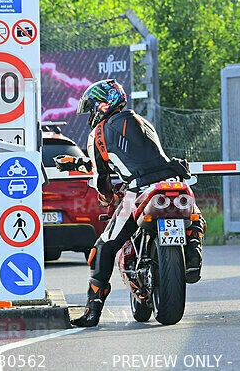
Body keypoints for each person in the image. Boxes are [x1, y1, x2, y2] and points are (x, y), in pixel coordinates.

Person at [54, 79, 206, 328]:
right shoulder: (143, 121)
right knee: (194, 214)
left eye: (92, 108)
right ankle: (193, 249)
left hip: (138, 191)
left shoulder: (98, 133)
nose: (91, 114)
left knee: (102, 247)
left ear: (103, 105)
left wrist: (107, 198)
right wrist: (80, 164)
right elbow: (136, 155)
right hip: (172, 181)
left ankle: (92, 311)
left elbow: (101, 178)